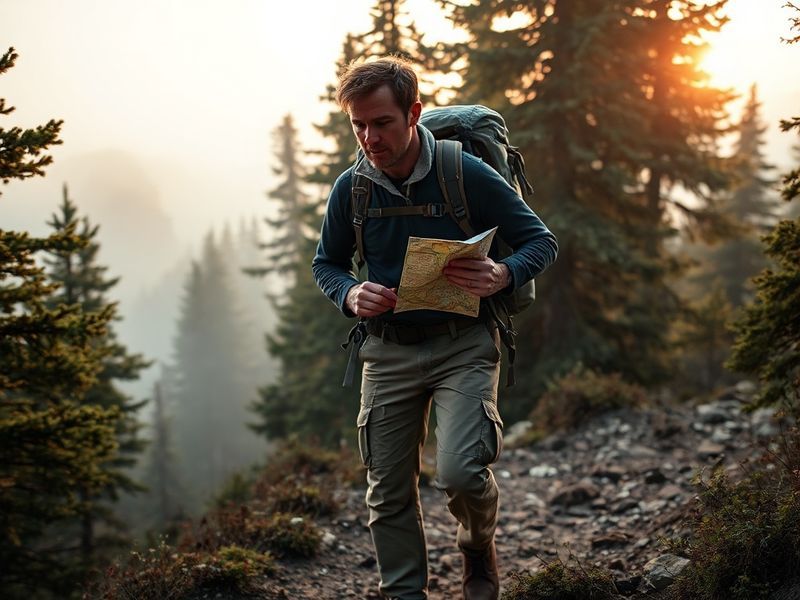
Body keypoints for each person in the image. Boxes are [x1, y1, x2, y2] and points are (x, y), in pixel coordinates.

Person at [312, 57, 558, 600]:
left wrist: (503, 272)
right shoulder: (351, 189)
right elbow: (326, 263)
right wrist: (349, 294)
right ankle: (404, 592)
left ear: (414, 113)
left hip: (464, 345)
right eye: (358, 125)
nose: (369, 138)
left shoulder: (464, 172)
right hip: (388, 352)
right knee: (387, 489)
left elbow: (541, 241)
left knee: (462, 473)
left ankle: (477, 549)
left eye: (382, 123)